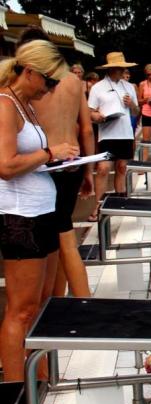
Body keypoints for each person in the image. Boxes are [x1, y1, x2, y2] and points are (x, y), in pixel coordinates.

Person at [0, 39, 77, 404]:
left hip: (42, 212)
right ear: (28, 71)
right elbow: (5, 166)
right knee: (21, 310)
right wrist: (50, 154)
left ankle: (39, 388)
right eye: (48, 81)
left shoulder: (24, 105)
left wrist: (57, 160)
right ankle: (17, 400)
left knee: (44, 304)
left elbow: (25, 163)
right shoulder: (3, 104)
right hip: (21, 219)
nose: (50, 89)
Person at [20, 28, 94, 300]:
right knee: (60, 236)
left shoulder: (27, 84)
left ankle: (84, 303)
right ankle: (59, 300)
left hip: (45, 166)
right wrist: (88, 170)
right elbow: (86, 130)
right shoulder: (74, 81)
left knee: (62, 240)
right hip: (73, 163)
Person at [88, 52, 140, 222]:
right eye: (118, 67)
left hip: (125, 133)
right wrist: (97, 116)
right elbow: (90, 112)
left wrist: (131, 104)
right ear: (110, 69)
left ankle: (120, 201)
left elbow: (136, 112)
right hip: (107, 134)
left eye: (122, 67)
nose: (121, 70)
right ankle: (98, 206)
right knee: (103, 169)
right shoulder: (98, 87)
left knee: (121, 168)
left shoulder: (129, 87)